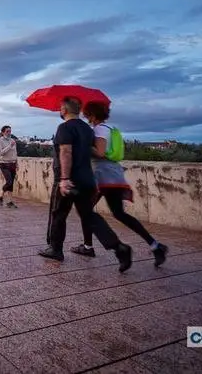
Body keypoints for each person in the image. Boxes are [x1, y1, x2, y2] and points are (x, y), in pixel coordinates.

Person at [39, 97, 133, 273]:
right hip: (88, 179)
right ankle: (119, 248)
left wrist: (65, 179)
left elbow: (66, 152)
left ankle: (55, 249)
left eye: (60, 108)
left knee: (58, 213)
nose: (60, 110)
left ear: (64, 110)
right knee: (89, 216)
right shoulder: (88, 130)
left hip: (69, 179)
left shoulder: (64, 128)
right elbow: (94, 152)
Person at [73, 102, 168, 266]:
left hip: (102, 177)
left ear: (93, 116)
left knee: (86, 210)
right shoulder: (111, 129)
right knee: (118, 214)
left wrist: (84, 146)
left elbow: (101, 153)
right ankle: (155, 246)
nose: (86, 118)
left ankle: (91, 246)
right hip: (114, 175)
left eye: (87, 115)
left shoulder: (99, 130)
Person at [0, 125, 18, 208]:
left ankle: (10, 202)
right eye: (7, 131)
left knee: (11, 183)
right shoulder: (0, 141)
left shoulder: (12, 140)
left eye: (10, 131)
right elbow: (1, 152)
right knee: (9, 181)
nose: (9, 133)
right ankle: (0, 194)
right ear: (3, 132)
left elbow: (15, 153)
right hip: (4, 164)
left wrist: (16, 162)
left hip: (12, 163)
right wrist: (10, 146)